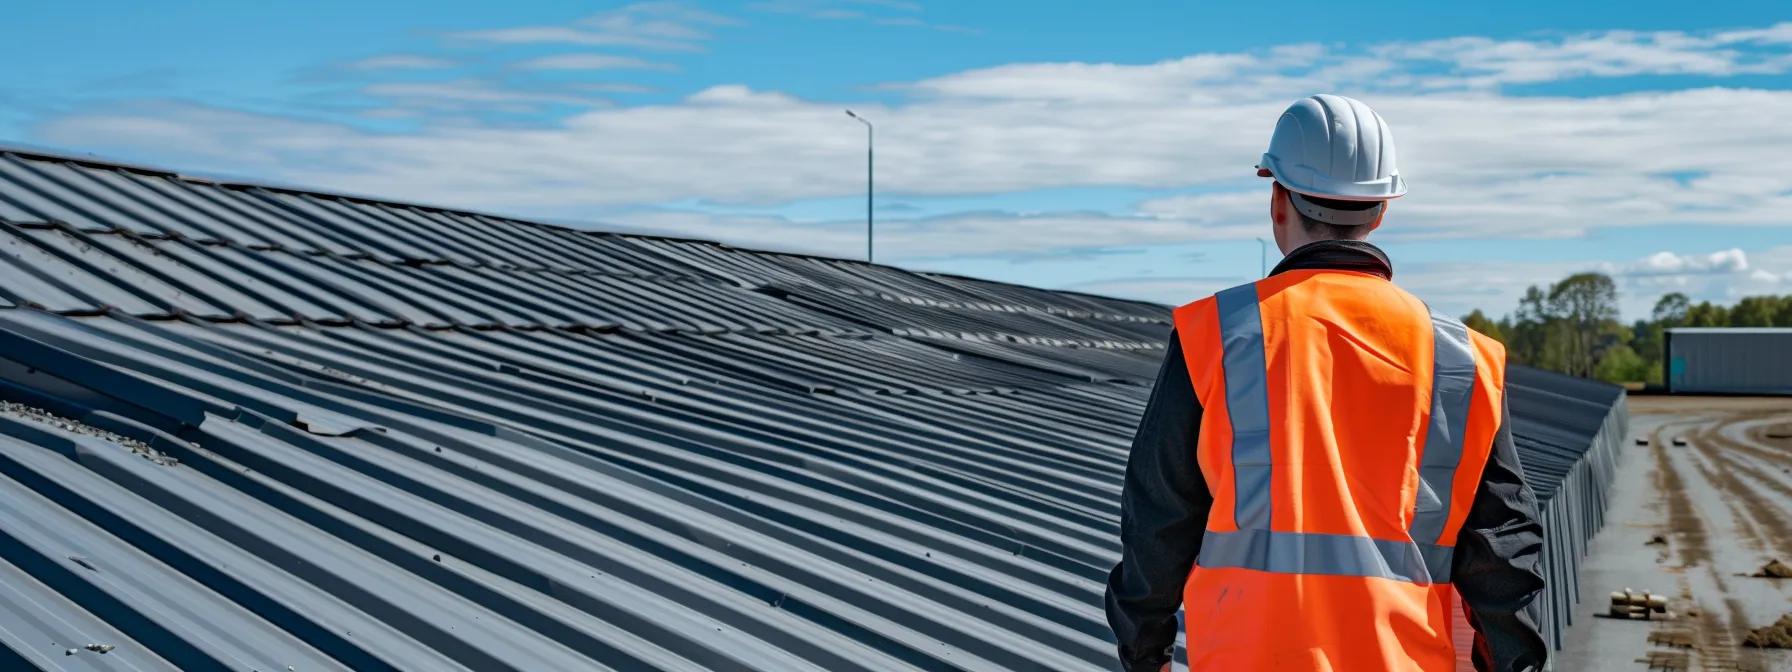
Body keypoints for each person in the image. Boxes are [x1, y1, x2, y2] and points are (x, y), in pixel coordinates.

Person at [1103, 94, 1550, 672]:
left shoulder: (1214, 334)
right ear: (1381, 209)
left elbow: (1158, 523)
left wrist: (1146, 656)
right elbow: (1504, 548)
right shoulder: (1463, 358)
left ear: (1277, 199)